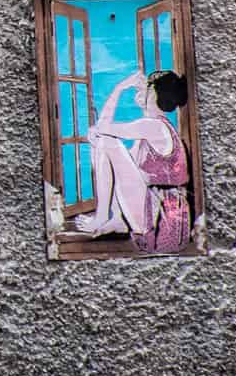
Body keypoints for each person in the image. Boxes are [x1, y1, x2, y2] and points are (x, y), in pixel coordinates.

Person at [76, 69, 191, 253]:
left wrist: (120, 87)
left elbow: (102, 128)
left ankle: (102, 216)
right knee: (102, 143)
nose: (139, 90)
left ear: (154, 94)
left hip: (162, 224)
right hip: (158, 218)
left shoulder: (153, 126)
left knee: (105, 141)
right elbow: (115, 165)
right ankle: (117, 221)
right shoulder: (154, 128)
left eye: (146, 87)